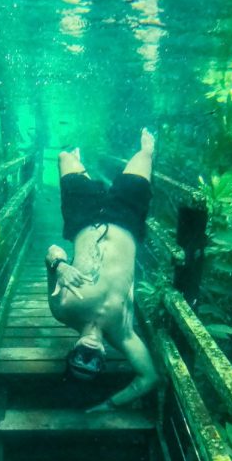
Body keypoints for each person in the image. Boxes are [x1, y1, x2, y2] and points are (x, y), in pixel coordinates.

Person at [45, 127, 159, 412]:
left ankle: (78, 163)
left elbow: (53, 251)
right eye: (93, 364)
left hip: (84, 217)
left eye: (80, 360)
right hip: (126, 217)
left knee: (63, 156)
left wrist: (59, 266)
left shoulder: (63, 309)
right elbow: (149, 378)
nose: (89, 354)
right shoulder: (123, 333)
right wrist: (109, 405)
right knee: (146, 152)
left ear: (71, 352)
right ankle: (144, 151)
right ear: (103, 362)